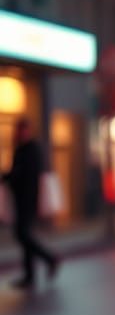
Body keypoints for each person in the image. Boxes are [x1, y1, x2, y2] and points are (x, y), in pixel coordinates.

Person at [2, 118, 59, 290]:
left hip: (28, 199)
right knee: (24, 235)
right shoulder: (21, 149)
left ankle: (49, 259)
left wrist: (9, 177)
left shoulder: (31, 149)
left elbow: (25, 175)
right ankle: (30, 275)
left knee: (22, 234)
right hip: (21, 199)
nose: (21, 133)